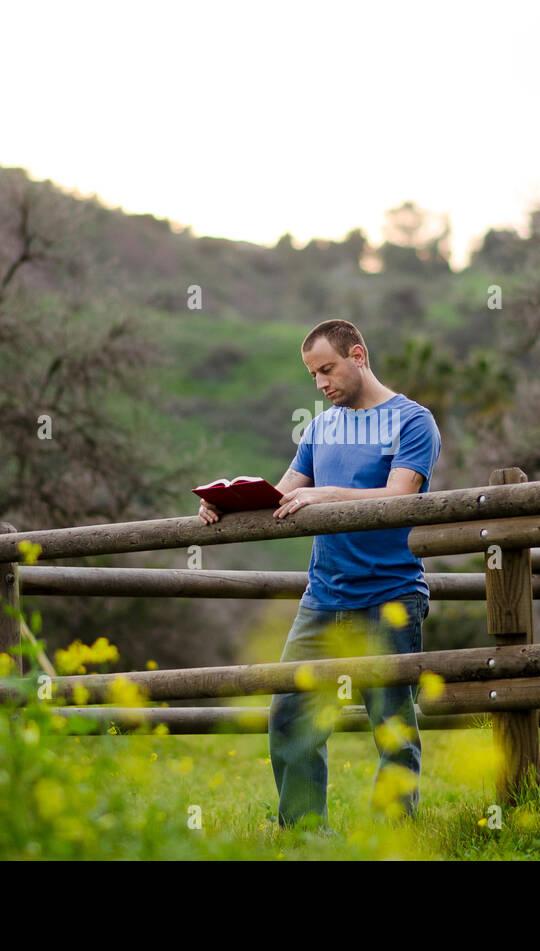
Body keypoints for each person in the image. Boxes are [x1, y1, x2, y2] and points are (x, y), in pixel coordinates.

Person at [198, 318, 441, 831]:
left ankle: (389, 839)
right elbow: (286, 494)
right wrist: (226, 507)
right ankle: (306, 834)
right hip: (323, 597)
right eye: (312, 375)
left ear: (359, 355)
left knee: (392, 728)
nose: (321, 384)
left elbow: (400, 496)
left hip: (390, 596)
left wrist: (327, 495)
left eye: (327, 369)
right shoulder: (321, 426)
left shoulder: (413, 421)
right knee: (289, 715)